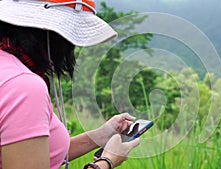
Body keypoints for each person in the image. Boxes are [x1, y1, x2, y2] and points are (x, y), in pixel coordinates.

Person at [0, 0, 140, 169]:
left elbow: (31, 153)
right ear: (52, 35)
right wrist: (107, 162)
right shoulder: (23, 86)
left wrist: (100, 135)